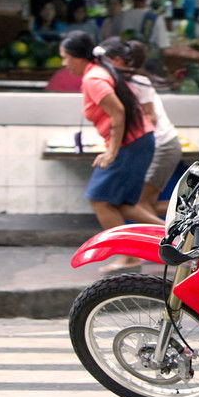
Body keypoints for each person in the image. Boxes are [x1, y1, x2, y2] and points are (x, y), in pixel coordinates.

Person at [59, 31, 164, 274]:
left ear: (78, 57)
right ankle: (176, 236)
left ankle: (127, 258)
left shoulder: (93, 79)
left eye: (65, 58)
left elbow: (118, 113)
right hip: (138, 142)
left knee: (99, 200)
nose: (63, 64)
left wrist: (111, 152)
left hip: (131, 144)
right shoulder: (97, 72)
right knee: (124, 205)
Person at [100, 37, 183, 217]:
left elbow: (150, 118)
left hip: (162, 145)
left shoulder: (138, 82)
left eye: (102, 61)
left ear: (116, 61)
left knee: (139, 204)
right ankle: (196, 213)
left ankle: (197, 215)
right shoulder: (125, 81)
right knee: (142, 205)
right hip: (158, 145)